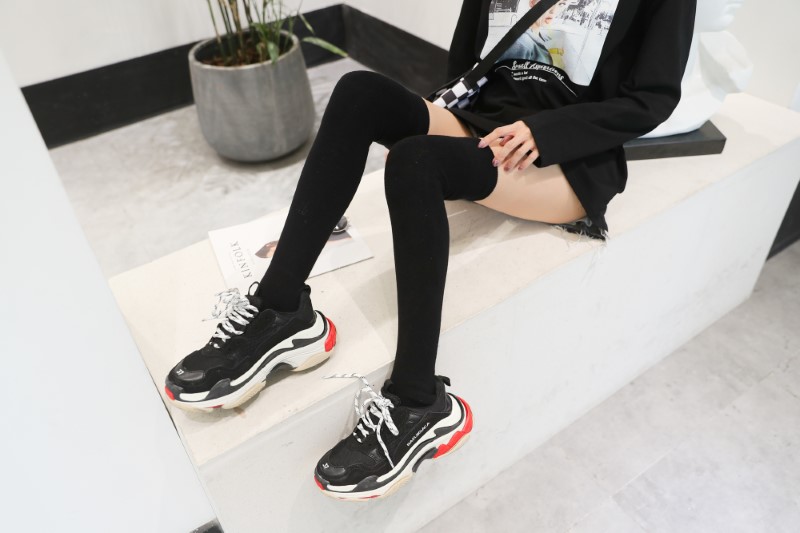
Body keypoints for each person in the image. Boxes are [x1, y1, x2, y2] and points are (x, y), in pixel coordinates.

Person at [164, 0, 696, 501]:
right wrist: (451, 125)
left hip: (565, 157)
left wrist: (544, 130)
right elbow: (469, 58)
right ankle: (281, 310)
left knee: (415, 161)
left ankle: (419, 402)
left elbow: (652, 98)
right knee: (359, 91)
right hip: (485, 127)